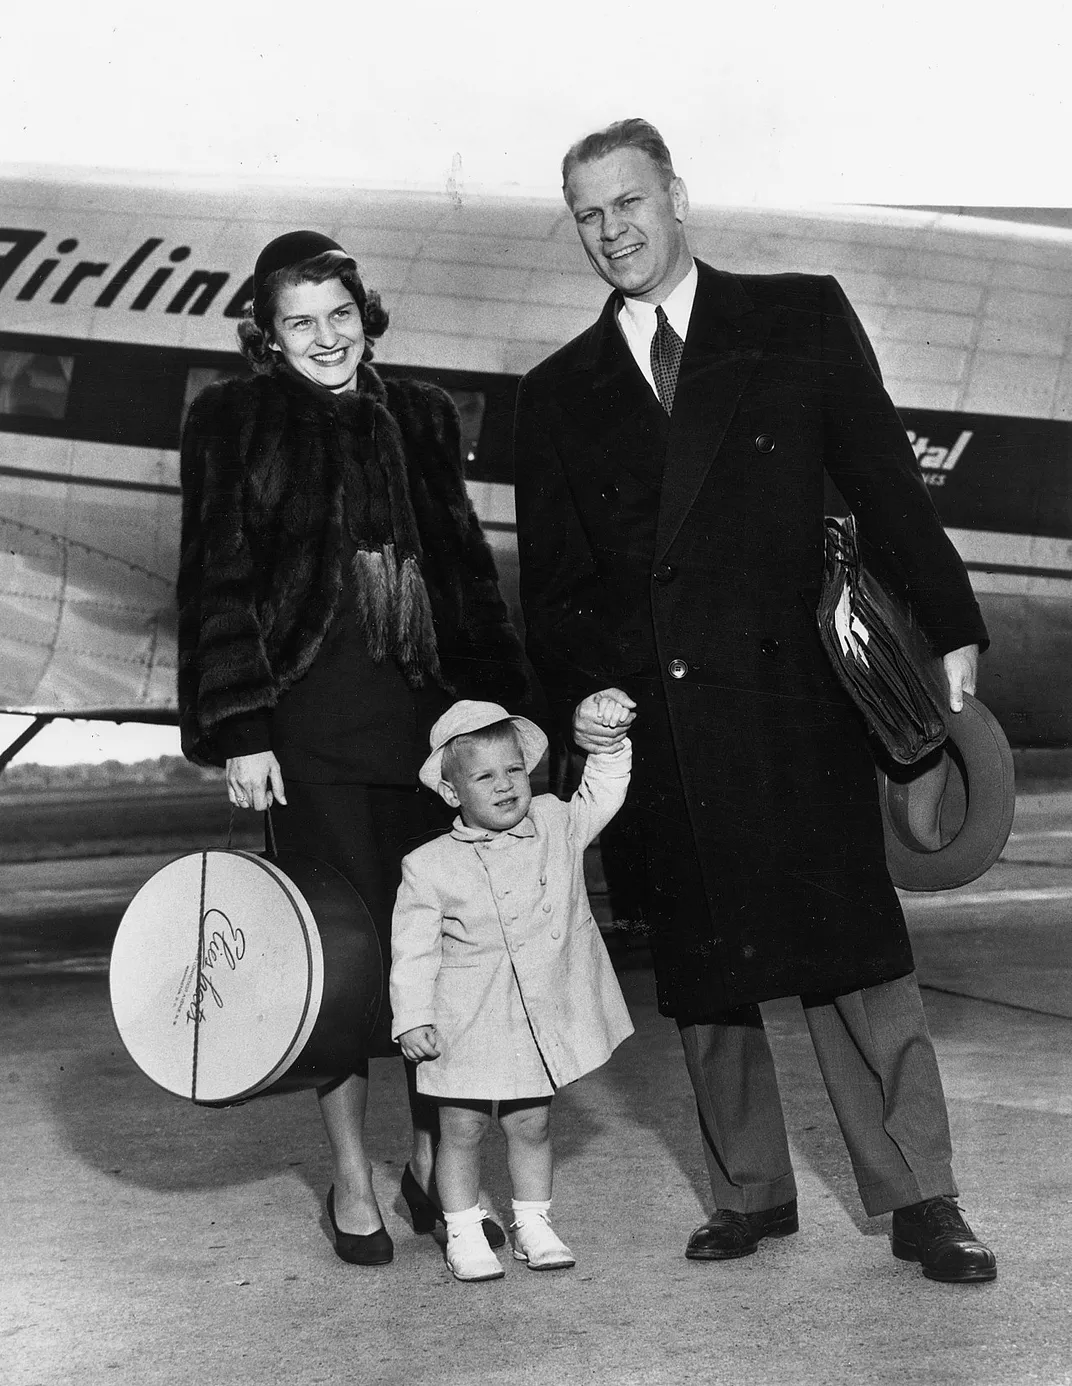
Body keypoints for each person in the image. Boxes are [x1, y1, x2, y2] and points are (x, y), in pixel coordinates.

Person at [513, 119, 997, 1284]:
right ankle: (749, 1195)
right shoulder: (558, 392)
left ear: (677, 196)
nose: (611, 229)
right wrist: (582, 698)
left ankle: (922, 1199)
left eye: (628, 201)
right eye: (587, 213)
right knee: (709, 974)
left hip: (801, 705)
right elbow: (560, 591)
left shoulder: (796, 317)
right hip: (666, 720)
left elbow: (884, 480)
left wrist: (953, 626)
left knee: (855, 957)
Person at [177, 230, 527, 1266]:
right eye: (299, 322)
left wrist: (498, 713)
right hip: (312, 725)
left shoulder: (416, 414)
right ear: (267, 336)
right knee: (340, 967)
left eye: (338, 315)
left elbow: (462, 570)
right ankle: (350, 1178)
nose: (324, 338)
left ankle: (435, 1170)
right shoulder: (231, 422)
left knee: (438, 963)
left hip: (424, 732)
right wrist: (242, 731)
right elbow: (217, 578)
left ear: (363, 316)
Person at [389, 697, 635, 1281]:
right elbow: (413, 951)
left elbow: (603, 792)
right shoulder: (427, 865)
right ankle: (463, 1229)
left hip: (533, 1016)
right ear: (452, 793)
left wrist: (607, 743)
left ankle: (532, 1222)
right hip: (465, 1018)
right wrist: (412, 1018)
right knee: (462, 1128)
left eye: (514, 770)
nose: (505, 786)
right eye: (484, 776)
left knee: (532, 1123)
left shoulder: (555, 821)